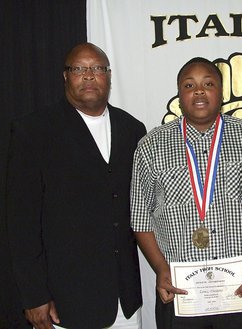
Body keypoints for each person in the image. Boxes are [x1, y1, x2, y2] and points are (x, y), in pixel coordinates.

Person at [130, 57, 242, 329]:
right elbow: (140, 219)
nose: (199, 91)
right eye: (189, 85)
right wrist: (161, 269)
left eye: (208, 84)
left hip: (239, 288)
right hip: (180, 290)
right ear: (179, 95)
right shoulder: (151, 146)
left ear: (221, 93)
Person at [6, 43, 146, 329]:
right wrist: (34, 296)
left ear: (108, 75)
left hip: (125, 302)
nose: (89, 75)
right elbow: (21, 223)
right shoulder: (34, 131)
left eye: (97, 68)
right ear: (65, 76)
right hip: (65, 303)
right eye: (79, 69)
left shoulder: (133, 129)